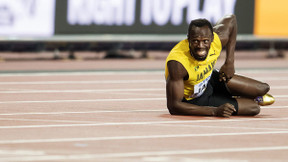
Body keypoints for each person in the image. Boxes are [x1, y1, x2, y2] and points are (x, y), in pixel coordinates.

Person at [165, 14, 275, 117]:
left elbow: (231, 19)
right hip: (196, 99)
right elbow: (174, 106)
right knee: (254, 108)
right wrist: (214, 110)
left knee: (263, 88)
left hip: (210, 79)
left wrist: (229, 62)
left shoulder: (217, 40)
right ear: (188, 39)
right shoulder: (178, 64)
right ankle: (235, 98)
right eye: (195, 41)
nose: (200, 47)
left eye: (205, 41)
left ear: (212, 39)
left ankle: (234, 96)